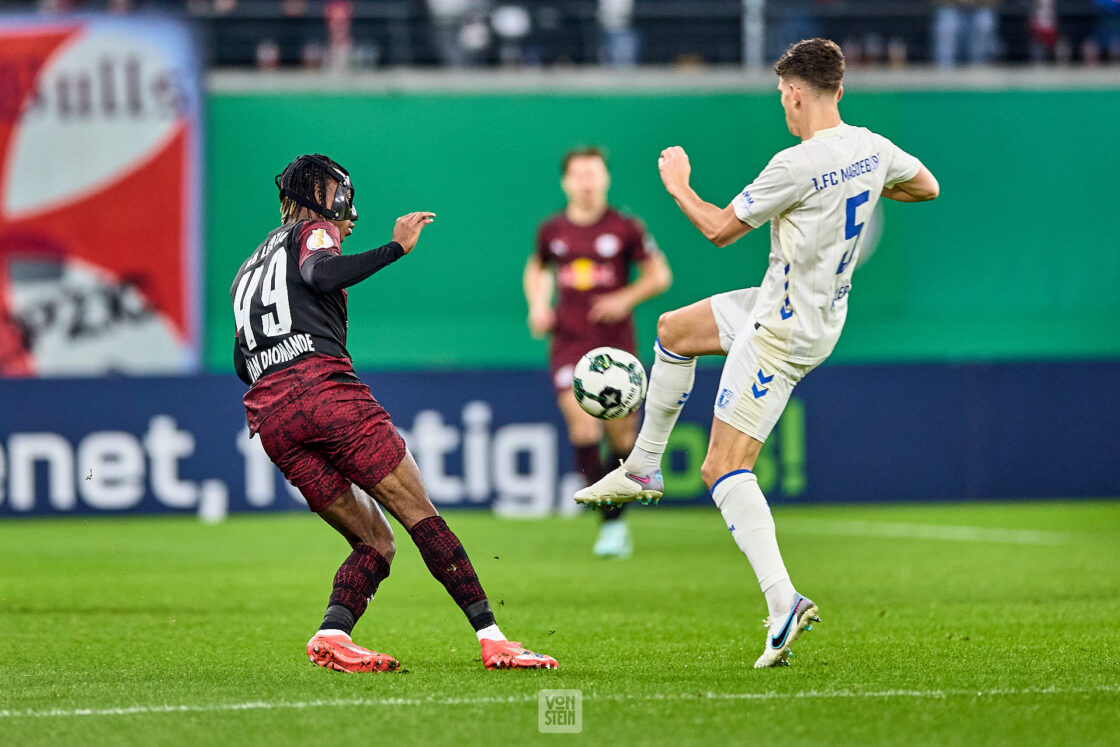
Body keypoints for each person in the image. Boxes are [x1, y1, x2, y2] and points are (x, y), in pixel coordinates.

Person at [575, 39, 939, 667]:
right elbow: (926, 187)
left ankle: (782, 601)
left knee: (722, 467)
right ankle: (643, 467)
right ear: (838, 91)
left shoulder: (794, 165)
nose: (781, 105)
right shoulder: (872, 147)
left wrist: (679, 186)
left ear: (795, 94)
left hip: (782, 329)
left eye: (780, 95)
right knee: (673, 330)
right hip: (802, 305)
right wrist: (862, 192)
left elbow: (719, 230)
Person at [231, 154, 557, 673]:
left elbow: (241, 361)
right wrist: (396, 248)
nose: (351, 213)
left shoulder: (250, 266)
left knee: (375, 542)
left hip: (271, 417)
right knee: (417, 512)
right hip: (324, 392)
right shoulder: (314, 232)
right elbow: (320, 273)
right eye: (344, 197)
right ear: (322, 197)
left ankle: (333, 634)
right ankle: (494, 639)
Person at [524, 146, 671, 557]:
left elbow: (659, 274)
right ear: (566, 182)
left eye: (593, 174)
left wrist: (626, 297)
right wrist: (538, 305)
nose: (587, 183)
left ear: (605, 179)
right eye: (579, 175)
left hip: (616, 349)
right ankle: (609, 524)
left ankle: (615, 516)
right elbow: (537, 268)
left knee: (622, 435)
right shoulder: (553, 230)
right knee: (584, 428)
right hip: (569, 343)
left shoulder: (625, 228)